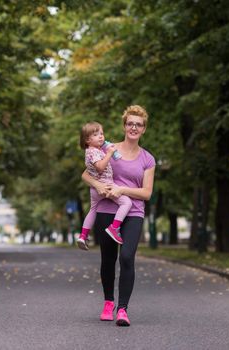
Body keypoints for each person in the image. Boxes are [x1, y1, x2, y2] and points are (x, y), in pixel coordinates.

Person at [81, 105, 155, 327]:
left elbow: (146, 193)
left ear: (143, 130)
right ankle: (108, 302)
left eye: (138, 124)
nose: (134, 127)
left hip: (132, 212)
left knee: (126, 257)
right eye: (130, 123)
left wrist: (122, 190)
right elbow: (86, 174)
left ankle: (122, 309)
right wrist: (100, 186)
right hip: (106, 209)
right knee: (108, 259)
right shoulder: (108, 149)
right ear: (124, 126)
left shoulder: (148, 159)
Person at [77, 122, 133, 250]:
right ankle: (114, 227)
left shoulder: (93, 151)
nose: (101, 137)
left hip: (95, 189)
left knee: (92, 210)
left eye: (101, 133)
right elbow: (100, 167)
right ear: (87, 140)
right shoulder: (93, 152)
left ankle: (83, 235)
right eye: (96, 135)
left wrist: (107, 151)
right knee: (126, 203)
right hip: (106, 186)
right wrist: (109, 153)